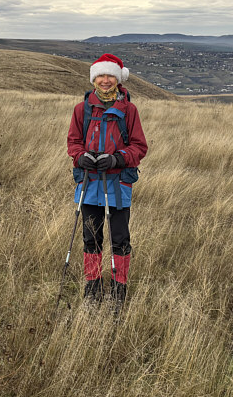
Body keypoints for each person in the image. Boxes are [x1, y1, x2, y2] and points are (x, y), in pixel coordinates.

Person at [66, 53, 148, 308]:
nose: (104, 80)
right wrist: (81, 157)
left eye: (109, 75)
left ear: (117, 78)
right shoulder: (82, 109)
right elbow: (73, 142)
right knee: (91, 236)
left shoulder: (129, 110)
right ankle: (92, 288)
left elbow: (139, 147)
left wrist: (118, 159)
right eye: (100, 75)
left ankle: (119, 289)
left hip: (118, 184)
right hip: (89, 183)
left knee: (119, 239)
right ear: (94, 78)